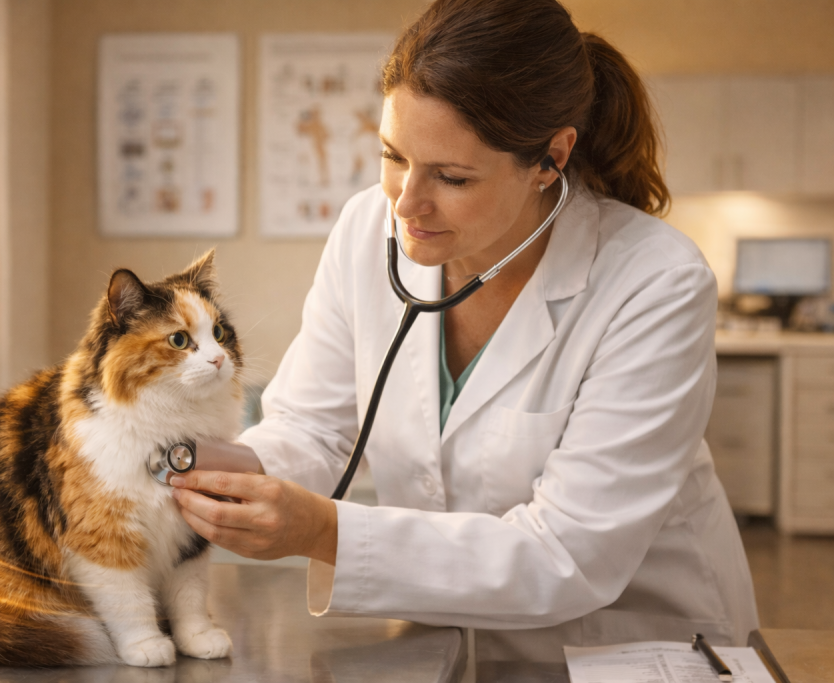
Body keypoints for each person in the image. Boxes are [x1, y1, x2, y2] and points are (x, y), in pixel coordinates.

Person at [170, 0, 759, 663]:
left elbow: (567, 552)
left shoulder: (655, 282)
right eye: (393, 156)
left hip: (630, 645)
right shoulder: (370, 231)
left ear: (550, 158)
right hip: (448, 642)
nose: (406, 203)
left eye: (451, 177)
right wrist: (220, 468)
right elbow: (315, 425)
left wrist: (322, 528)